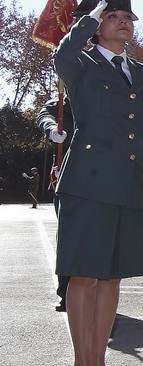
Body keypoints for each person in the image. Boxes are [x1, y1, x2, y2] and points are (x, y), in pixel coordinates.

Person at [53, 0, 143, 366]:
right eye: (112, 17)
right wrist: (85, 21)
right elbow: (61, 55)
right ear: (97, 25)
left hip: (128, 184)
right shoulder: (81, 62)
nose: (123, 22)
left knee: (112, 276)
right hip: (89, 183)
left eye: (127, 16)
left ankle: (100, 363)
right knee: (85, 275)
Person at [38, 94, 76, 311]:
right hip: (67, 178)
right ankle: (67, 293)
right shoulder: (60, 106)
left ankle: (94, 290)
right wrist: (53, 130)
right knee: (68, 235)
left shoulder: (99, 99)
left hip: (99, 178)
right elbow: (44, 116)